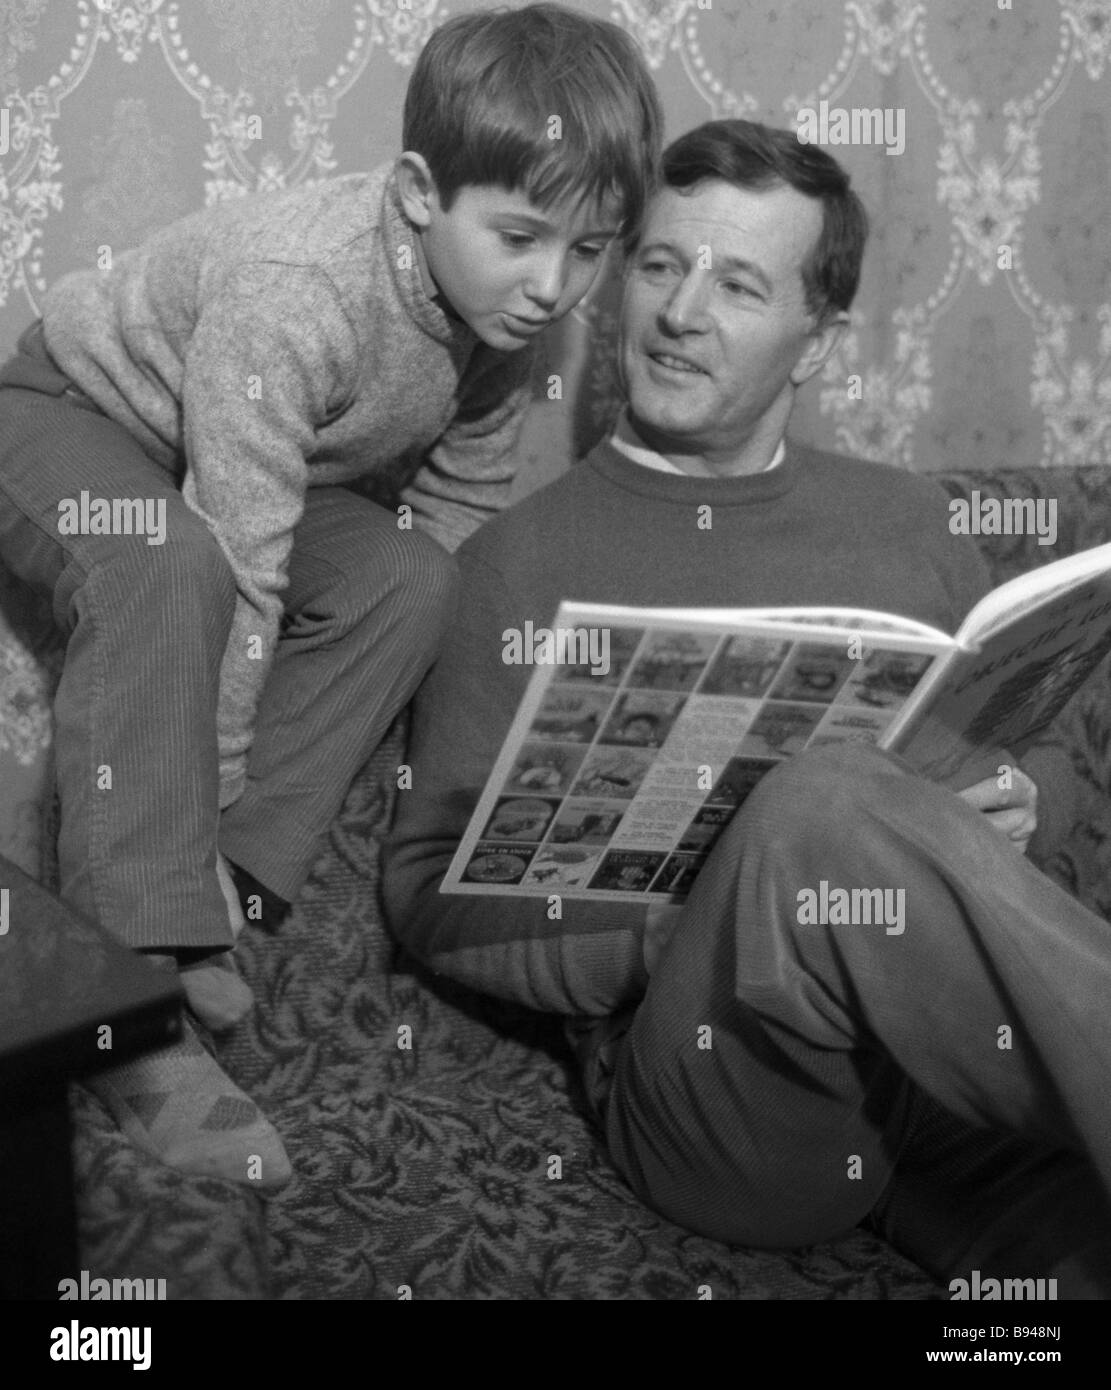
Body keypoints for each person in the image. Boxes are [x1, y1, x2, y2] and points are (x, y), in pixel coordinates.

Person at [383, 118, 1111, 1295]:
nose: (677, 313)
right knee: (817, 800)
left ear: (816, 343)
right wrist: (673, 938)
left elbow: (1006, 743)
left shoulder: (910, 523)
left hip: (950, 1079)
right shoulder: (516, 565)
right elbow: (423, 896)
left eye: (737, 283)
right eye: (661, 266)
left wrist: (1023, 798)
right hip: (720, 1093)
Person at [0, 3, 661, 1188]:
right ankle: (133, 994)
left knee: (411, 579)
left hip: (221, 463)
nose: (552, 287)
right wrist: (213, 780)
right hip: (65, 420)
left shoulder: (503, 320)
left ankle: (229, 894)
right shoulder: (295, 286)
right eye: (519, 236)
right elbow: (241, 556)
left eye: (590, 249)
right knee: (168, 560)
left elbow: (451, 522)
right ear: (418, 191)